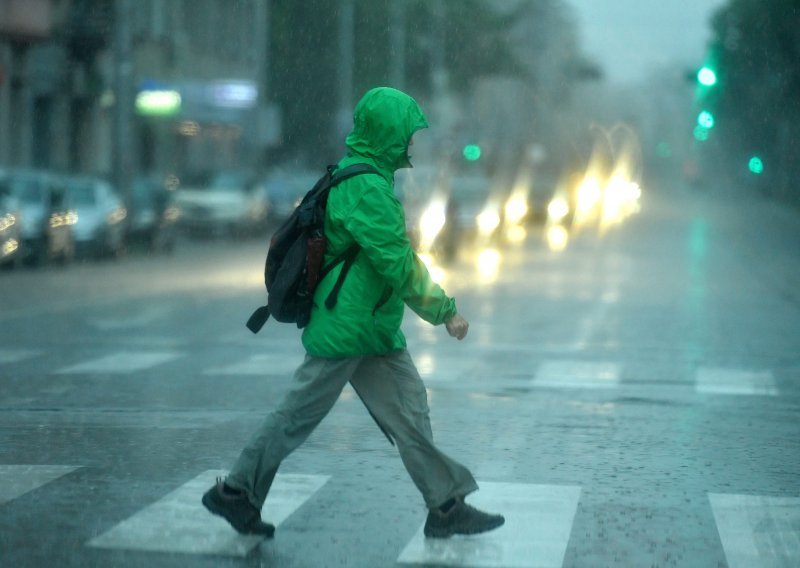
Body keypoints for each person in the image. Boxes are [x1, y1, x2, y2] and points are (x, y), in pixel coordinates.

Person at [202, 86, 505, 539]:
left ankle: (445, 506)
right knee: (296, 417)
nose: (411, 144)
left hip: (373, 330)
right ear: (387, 134)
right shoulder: (365, 187)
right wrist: (444, 311)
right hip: (346, 328)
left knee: (409, 412)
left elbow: (385, 258)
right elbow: (397, 262)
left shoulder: (368, 179)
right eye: (407, 134)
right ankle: (235, 492)